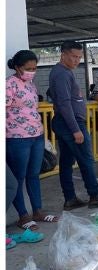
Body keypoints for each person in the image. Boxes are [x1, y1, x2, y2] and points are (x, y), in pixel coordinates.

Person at [48, 41, 98, 209]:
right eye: (73, 57)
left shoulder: (64, 72)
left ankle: (70, 199)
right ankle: (94, 194)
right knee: (86, 159)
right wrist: (76, 129)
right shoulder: (61, 74)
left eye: (79, 57)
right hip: (71, 123)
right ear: (63, 55)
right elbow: (64, 103)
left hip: (67, 122)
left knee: (67, 162)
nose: (77, 60)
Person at [6, 50, 59, 229]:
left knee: (33, 175)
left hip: (36, 136)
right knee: (18, 178)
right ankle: (23, 215)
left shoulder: (30, 84)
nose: (32, 71)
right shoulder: (8, 84)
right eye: (28, 68)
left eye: (34, 68)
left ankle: (37, 211)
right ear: (17, 67)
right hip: (17, 138)